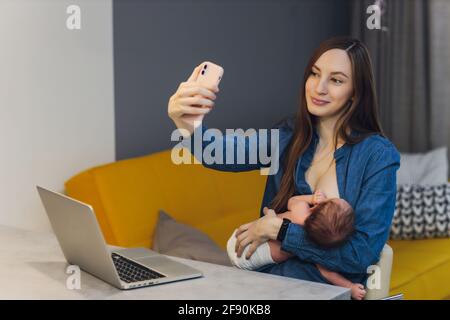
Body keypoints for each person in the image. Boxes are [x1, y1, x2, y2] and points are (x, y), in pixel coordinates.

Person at [167, 36, 400, 289]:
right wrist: (187, 124)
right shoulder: (289, 134)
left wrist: (280, 231)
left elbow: (360, 255)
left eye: (336, 80)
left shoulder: (378, 155)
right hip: (267, 283)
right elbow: (220, 153)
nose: (318, 88)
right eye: (314, 74)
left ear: (356, 92)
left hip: (324, 293)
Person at [227, 189, 366, 300]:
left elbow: (292, 201)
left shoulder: (301, 214)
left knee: (270, 217)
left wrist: (311, 198)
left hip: (241, 244)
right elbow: (328, 273)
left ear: (317, 207)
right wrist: (351, 287)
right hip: (249, 256)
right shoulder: (316, 247)